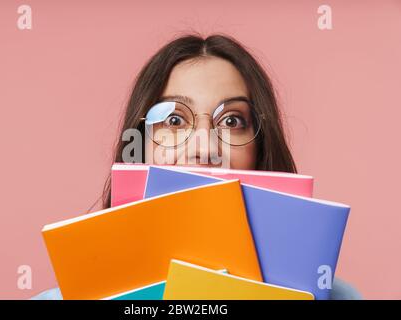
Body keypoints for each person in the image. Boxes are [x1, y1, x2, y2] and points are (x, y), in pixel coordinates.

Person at [32, 33, 362, 300]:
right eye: (174, 119)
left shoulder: (337, 297)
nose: (204, 148)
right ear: (139, 146)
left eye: (232, 120)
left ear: (260, 151)